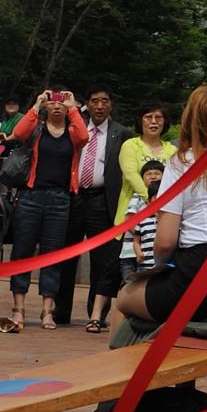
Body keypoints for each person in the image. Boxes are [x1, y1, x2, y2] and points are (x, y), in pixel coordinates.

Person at [115, 83, 207, 328]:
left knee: (123, 300)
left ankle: (122, 366)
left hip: (198, 275)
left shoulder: (181, 163)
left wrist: (160, 268)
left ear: (191, 120)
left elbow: (165, 242)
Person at [5, 89, 90, 331]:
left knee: (52, 255)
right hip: (31, 196)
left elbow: (84, 137)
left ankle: (47, 310)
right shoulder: (38, 129)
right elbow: (18, 133)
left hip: (60, 199)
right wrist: (35, 105)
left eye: (60, 105)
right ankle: (18, 308)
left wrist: (73, 106)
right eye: (52, 104)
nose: (56, 107)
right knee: (22, 252)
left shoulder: (72, 133)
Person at [52, 87, 133, 332]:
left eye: (104, 102)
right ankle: (60, 311)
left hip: (103, 201)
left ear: (111, 106)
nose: (99, 106)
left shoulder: (122, 134)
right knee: (66, 256)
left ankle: (96, 315)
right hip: (74, 198)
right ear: (87, 105)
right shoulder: (74, 128)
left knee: (103, 261)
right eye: (95, 101)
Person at [118, 155, 167, 291]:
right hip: (131, 252)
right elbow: (129, 219)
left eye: (157, 173)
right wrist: (142, 237)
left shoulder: (165, 197)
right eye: (148, 174)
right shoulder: (138, 196)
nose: (153, 176)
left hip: (149, 256)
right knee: (129, 286)